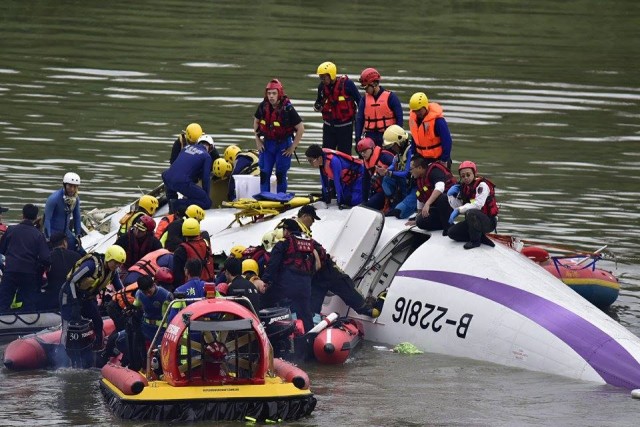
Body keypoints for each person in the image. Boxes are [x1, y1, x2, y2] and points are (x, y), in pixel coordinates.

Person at [59, 245, 125, 350]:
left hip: (87, 297)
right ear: (109, 258)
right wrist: (75, 302)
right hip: (70, 295)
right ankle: (62, 350)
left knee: (98, 321)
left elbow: (121, 289)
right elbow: (71, 281)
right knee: (68, 324)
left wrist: (128, 301)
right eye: (115, 262)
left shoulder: (113, 273)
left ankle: (97, 347)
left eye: (119, 264)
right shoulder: (91, 265)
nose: (117, 266)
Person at [261, 219, 319, 333]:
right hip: (305, 285)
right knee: (305, 313)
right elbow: (315, 265)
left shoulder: (283, 243)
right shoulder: (309, 244)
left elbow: (273, 265)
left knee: (265, 301)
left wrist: (265, 281)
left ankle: (267, 331)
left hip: (287, 284)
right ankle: (310, 339)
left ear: (286, 231)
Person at [253, 78, 304, 193]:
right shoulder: (263, 106)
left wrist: (293, 147)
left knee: (280, 174)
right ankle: (264, 197)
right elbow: (256, 121)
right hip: (267, 145)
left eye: (274, 93)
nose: (271, 96)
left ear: (279, 94)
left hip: (283, 146)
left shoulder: (288, 109)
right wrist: (257, 140)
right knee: (264, 173)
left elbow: (300, 128)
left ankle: (281, 198)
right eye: (269, 93)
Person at [0, 204, 51, 312]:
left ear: (22, 215)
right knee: (29, 304)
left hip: (10, 271)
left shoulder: (11, 230)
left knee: (3, 303)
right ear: (36, 217)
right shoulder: (38, 235)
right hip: (28, 273)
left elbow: (1, 249)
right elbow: (45, 258)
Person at [311, 241, 373, 317]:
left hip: (315, 277)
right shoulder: (327, 269)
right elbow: (344, 286)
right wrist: (365, 309)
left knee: (309, 315)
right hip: (322, 273)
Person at [447, 161, 499, 249]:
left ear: (475, 173)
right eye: (463, 176)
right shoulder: (464, 187)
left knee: (471, 212)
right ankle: (481, 238)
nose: (466, 178)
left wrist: (459, 210)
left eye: (468, 174)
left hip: (488, 222)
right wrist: (451, 196)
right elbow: (458, 205)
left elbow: (478, 204)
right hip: (472, 222)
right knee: (452, 233)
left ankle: (475, 241)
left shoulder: (482, 185)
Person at [313, 61, 361, 154]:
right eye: (320, 77)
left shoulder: (347, 84)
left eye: (323, 77)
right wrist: (317, 106)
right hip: (329, 127)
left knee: (345, 155)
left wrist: (361, 120)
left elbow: (360, 101)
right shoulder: (322, 87)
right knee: (326, 155)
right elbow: (319, 101)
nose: (321, 79)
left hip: (345, 127)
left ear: (331, 75)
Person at [162, 133, 214, 212]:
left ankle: (171, 204)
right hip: (181, 182)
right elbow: (205, 178)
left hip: (167, 177)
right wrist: (205, 196)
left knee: (173, 189)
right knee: (207, 202)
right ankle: (177, 204)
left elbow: (180, 165)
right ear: (210, 147)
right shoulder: (206, 156)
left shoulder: (186, 147)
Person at [355, 67, 403, 147]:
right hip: (370, 137)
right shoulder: (364, 100)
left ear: (374, 84)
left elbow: (399, 118)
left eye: (366, 87)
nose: (365, 90)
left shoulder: (391, 97)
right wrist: (357, 138)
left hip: (387, 137)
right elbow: (360, 120)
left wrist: (397, 138)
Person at [407, 156, 457, 231]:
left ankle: (448, 227)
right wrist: (418, 216)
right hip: (436, 208)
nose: (410, 171)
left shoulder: (434, 171)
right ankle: (442, 223)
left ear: (420, 168)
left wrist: (427, 204)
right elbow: (420, 196)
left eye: (411, 169)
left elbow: (440, 187)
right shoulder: (419, 179)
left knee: (442, 198)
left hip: (449, 205)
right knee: (420, 222)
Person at [39, 231, 82, 311]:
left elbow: (38, 276)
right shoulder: (76, 256)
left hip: (53, 298)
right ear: (64, 242)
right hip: (72, 298)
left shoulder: (48, 257)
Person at [408, 92, 453, 168]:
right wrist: (413, 155)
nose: (417, 113)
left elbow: (447, 141)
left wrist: (444, 160)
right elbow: (414, 138)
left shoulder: (438, 121)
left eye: (419, 110)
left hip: (438, 159)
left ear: (425, 107)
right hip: (422, 159)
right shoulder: (414, 120)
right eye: (414, 111)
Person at [379, 125, 415, 219]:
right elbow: (393, 165)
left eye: (393, 145)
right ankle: (392, 201)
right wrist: (384, 171)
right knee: (386, 180)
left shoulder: (410, 151)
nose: (392, 148)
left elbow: (406, 172)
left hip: (413, 187)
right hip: (403, 184)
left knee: (399, 213)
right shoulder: (399, 153)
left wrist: (389, 172)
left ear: (400, 142)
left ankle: (407, 205)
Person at [44, 172, 83, 252]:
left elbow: (77, 218)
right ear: (64, 185)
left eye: (75, 187)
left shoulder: (76, 199)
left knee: (79, 251)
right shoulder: (53, 199)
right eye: (70, 186)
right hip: (53, 233)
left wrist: (77, 236)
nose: (72, 189)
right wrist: (47, 238)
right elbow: (47, 219)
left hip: (66, 233)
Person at [171, 218, 215, 289]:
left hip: (190, 290)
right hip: (209, 287)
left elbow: (177, 277)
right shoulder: (206, 243)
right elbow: (205, 234)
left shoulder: (181, 250)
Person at [132, 274, 173, 343]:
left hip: (161, 329)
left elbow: (172, 314)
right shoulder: (139, 293)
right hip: (145, 327)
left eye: (149, 291)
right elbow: (136, 305)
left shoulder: (165, 295)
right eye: (144, 292)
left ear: (154, 285)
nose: (147, 294)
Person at [357, 137, 394, 210]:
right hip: (380, 191)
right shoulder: (366, 161)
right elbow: (365, 180)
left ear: (372, 148)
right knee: (369, 205)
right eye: (361, 152)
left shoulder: (384, 157)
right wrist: (364, 200)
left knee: (371, 205)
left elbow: (397, 170)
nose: (363, 154)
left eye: (364, 151)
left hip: (391, 189)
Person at [167, 259, 207, 323]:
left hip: (188, 330)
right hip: (207, 330)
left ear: (186, 271)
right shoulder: (209, 287)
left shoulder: (179, 291)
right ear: (201, 271)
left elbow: (172, 317)